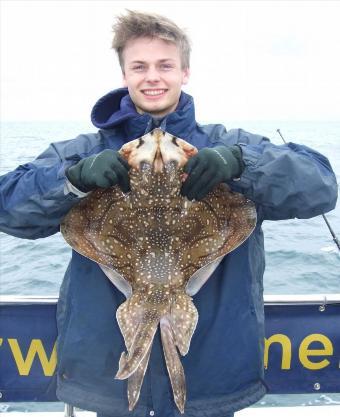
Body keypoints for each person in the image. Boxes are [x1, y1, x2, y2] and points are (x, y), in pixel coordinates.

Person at [0, 10, 338, 417]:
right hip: (107, 379)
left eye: (165, 65)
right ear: (124, 74)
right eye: (139, 66)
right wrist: (71, 180)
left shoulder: (226, 145)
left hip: (211, 380)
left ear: (185, 72)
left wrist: (241, 164)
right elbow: (9, 208)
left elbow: (321, 185)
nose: (153, 77)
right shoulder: (83, 153)